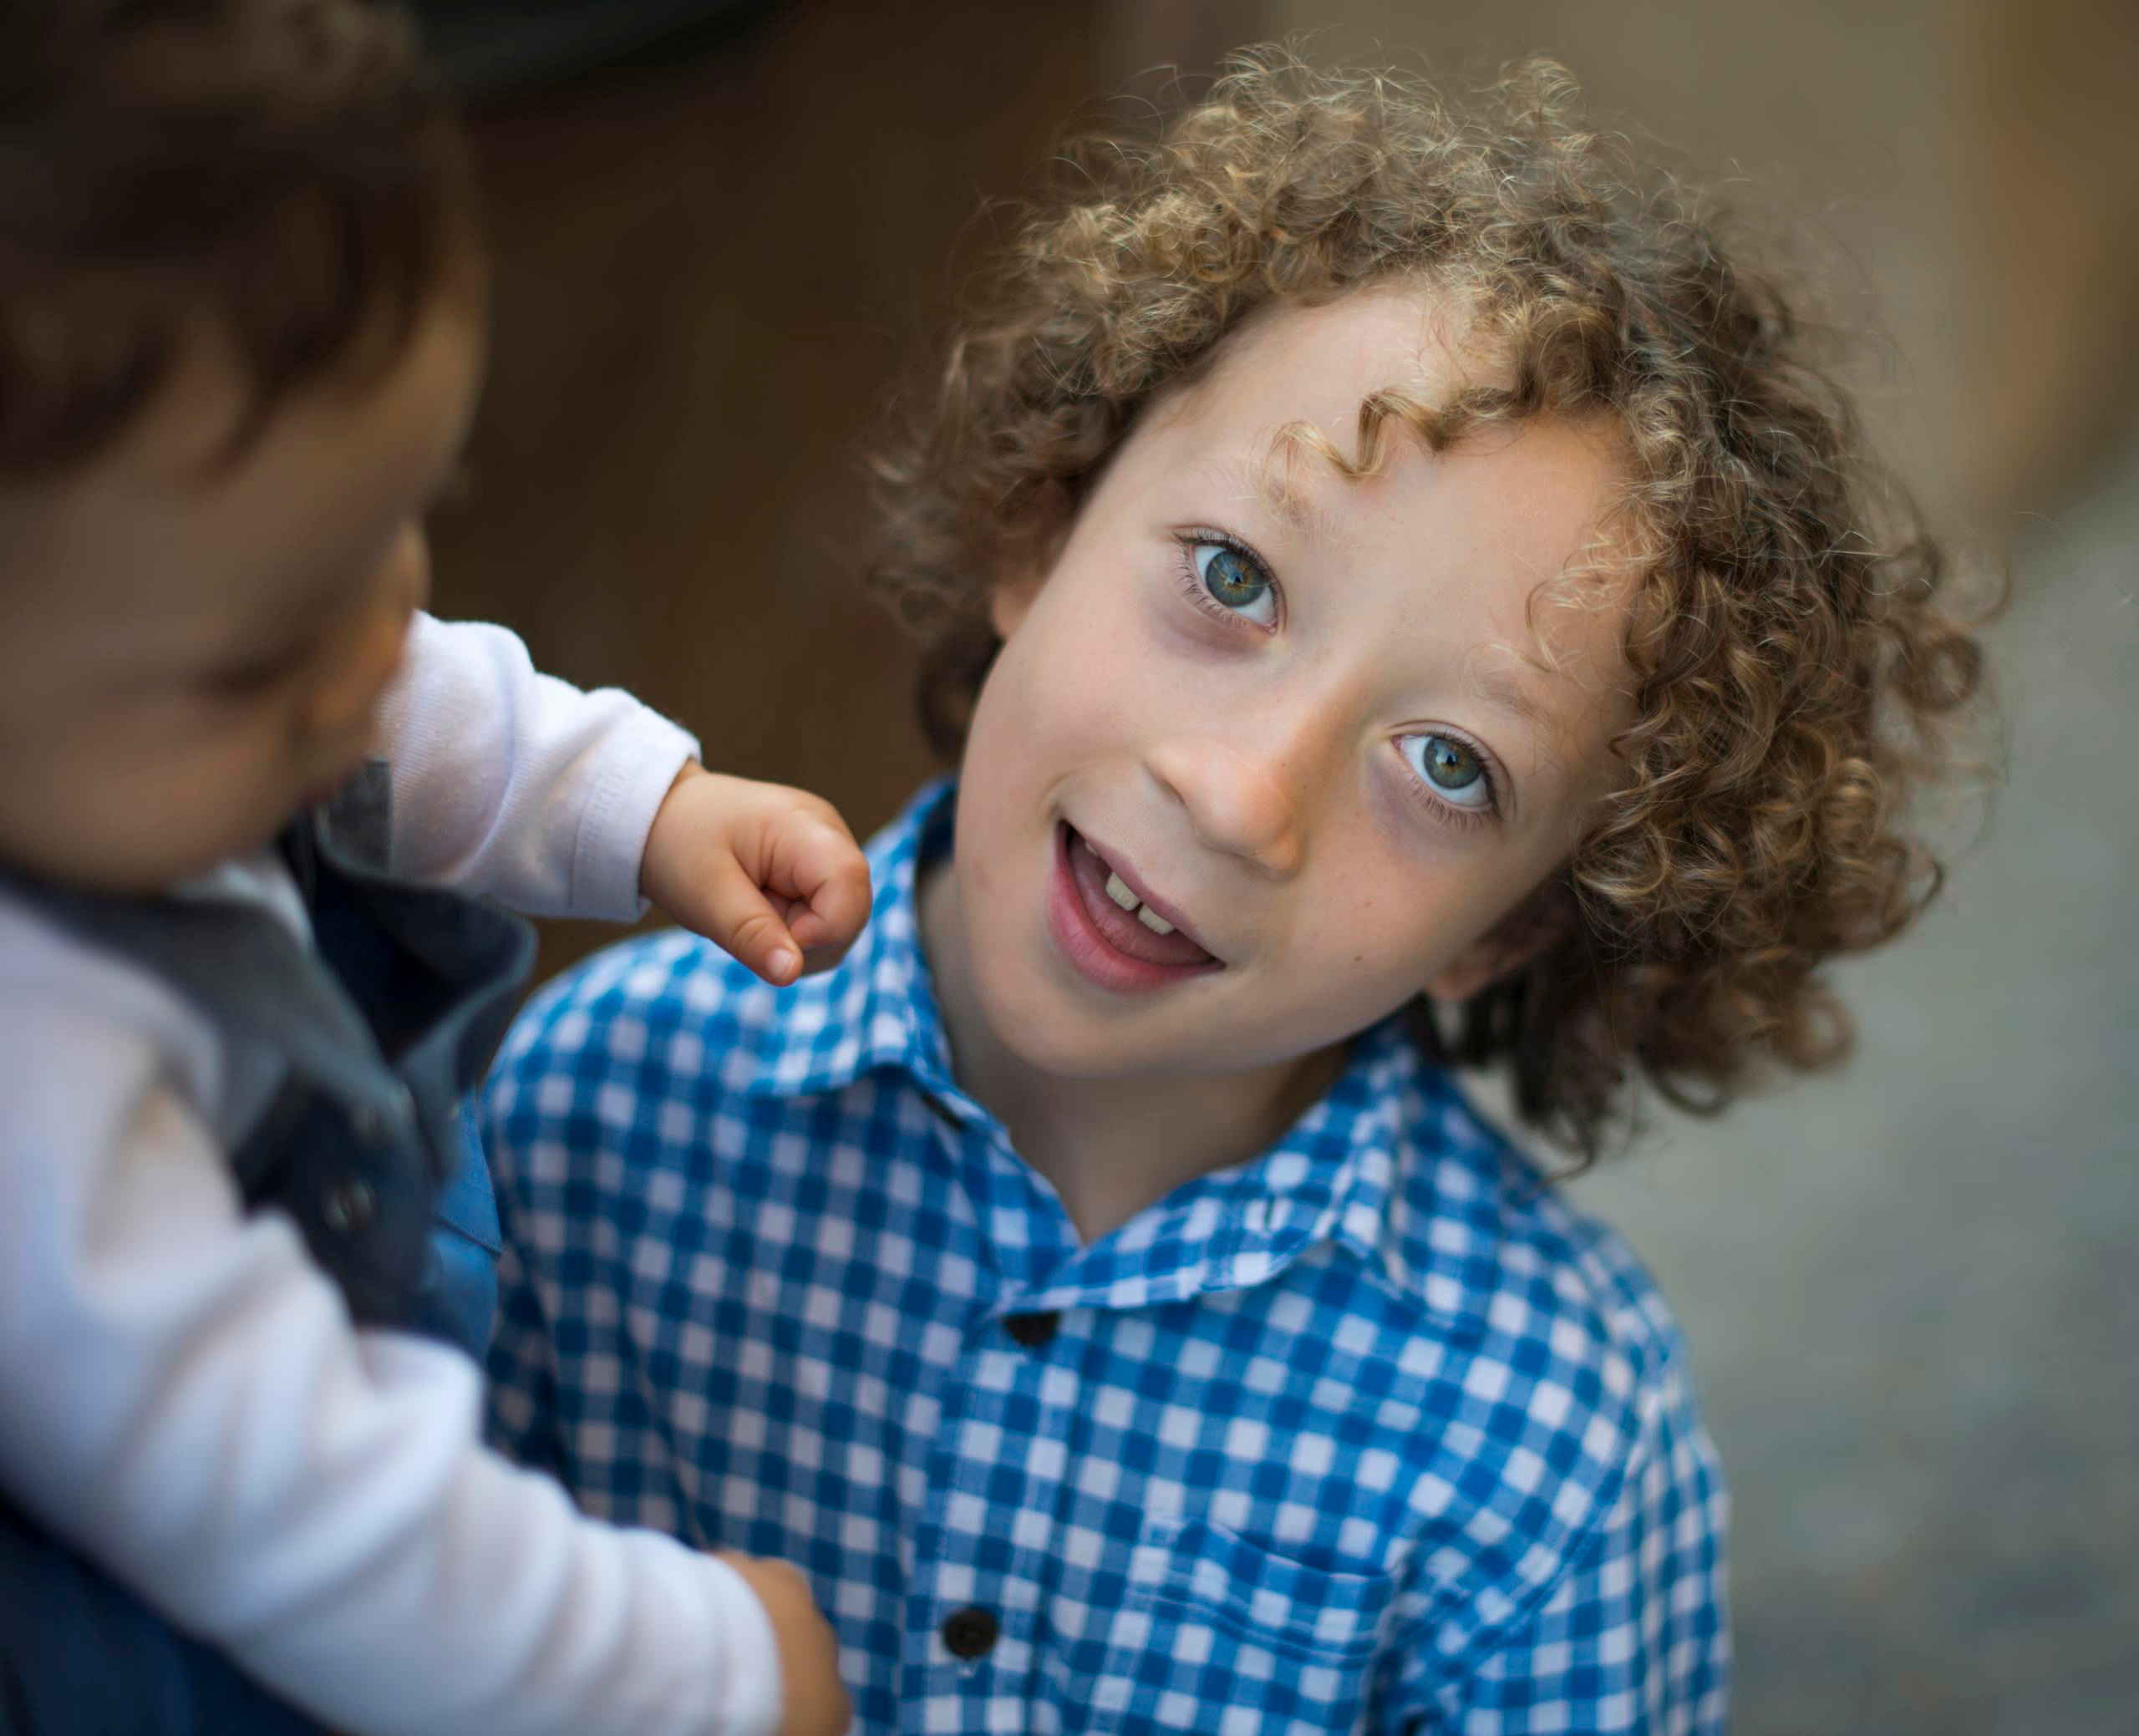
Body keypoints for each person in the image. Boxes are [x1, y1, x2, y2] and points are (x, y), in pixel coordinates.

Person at [479, 47, 1988, 1735]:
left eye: (1449, 765)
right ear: (1039, 526)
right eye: (1230, 575)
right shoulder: (599, 1109)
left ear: (1507, 927)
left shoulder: (1541, 1451)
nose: (1245, 793)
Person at [0, 3, 862, 1733]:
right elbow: (347, 1539)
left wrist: (642, 803)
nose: (383, 640)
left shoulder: (145, 672)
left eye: (401, 520)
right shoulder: (43, 1101)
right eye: (266, 658)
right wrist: (707, 1667)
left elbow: (403, 704)